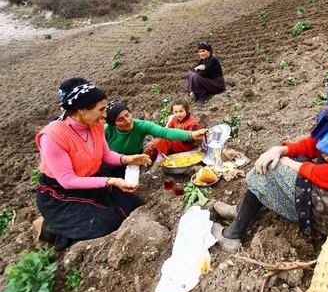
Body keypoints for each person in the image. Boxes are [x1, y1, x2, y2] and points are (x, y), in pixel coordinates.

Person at [211, 55, 328, 252]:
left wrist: (289, 163)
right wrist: (282, 150)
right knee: (275, 158)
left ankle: (232, 235)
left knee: (271, 168)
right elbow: (315, 144)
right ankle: (241, 212)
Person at [33, 78, 152, 251]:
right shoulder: (52, 137)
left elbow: (105, 154)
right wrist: (110, 181)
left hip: (91, 180)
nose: (105, 115)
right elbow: (68, 180)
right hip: (61, 194)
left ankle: (64, 222)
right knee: (108, 223)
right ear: (82, 110)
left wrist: (127, 159)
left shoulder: (95, 125)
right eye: (101, 109)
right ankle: (49, 227)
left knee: (133, 206)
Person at [104, 101, 208, 177]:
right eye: (120, 120)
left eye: (127, 115)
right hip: (111, 166)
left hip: (134, 162)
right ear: (113, 124)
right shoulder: (106, 130)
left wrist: (192, 134)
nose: (127, 121)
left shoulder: (141, 125)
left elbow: (165, 132)